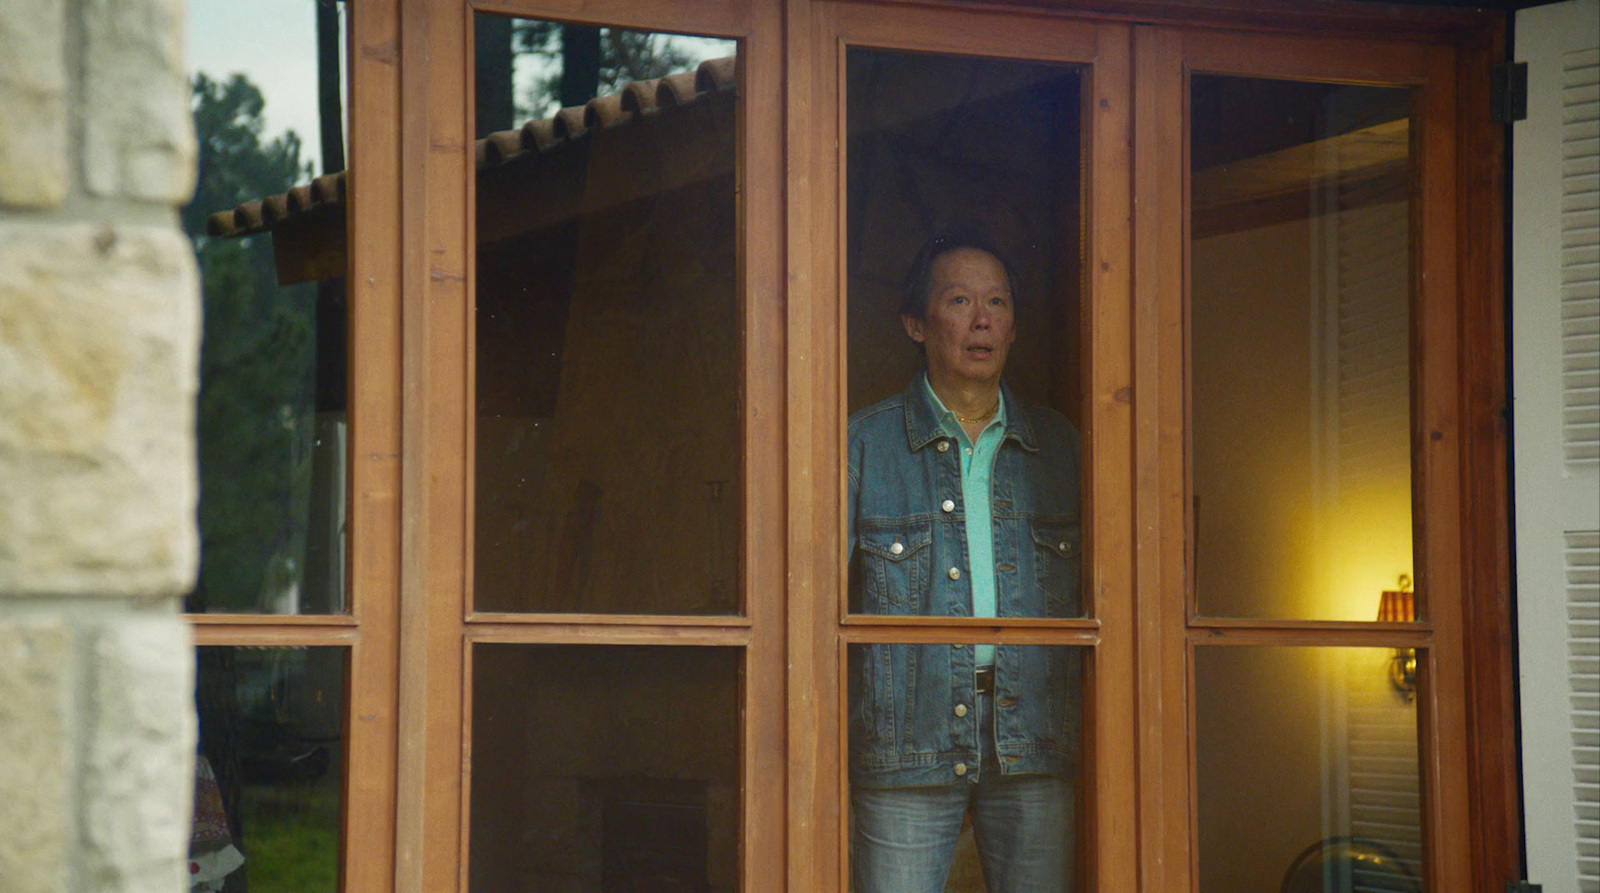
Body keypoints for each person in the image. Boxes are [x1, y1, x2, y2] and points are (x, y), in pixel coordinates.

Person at [847, 232, 1082, 892]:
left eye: (997, 302)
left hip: (1033, 736)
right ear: (916, 323)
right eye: (959, 300)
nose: (982, 319)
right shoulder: (860, 446)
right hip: (906, 739)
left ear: (1012, 327)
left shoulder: (1064, 450)